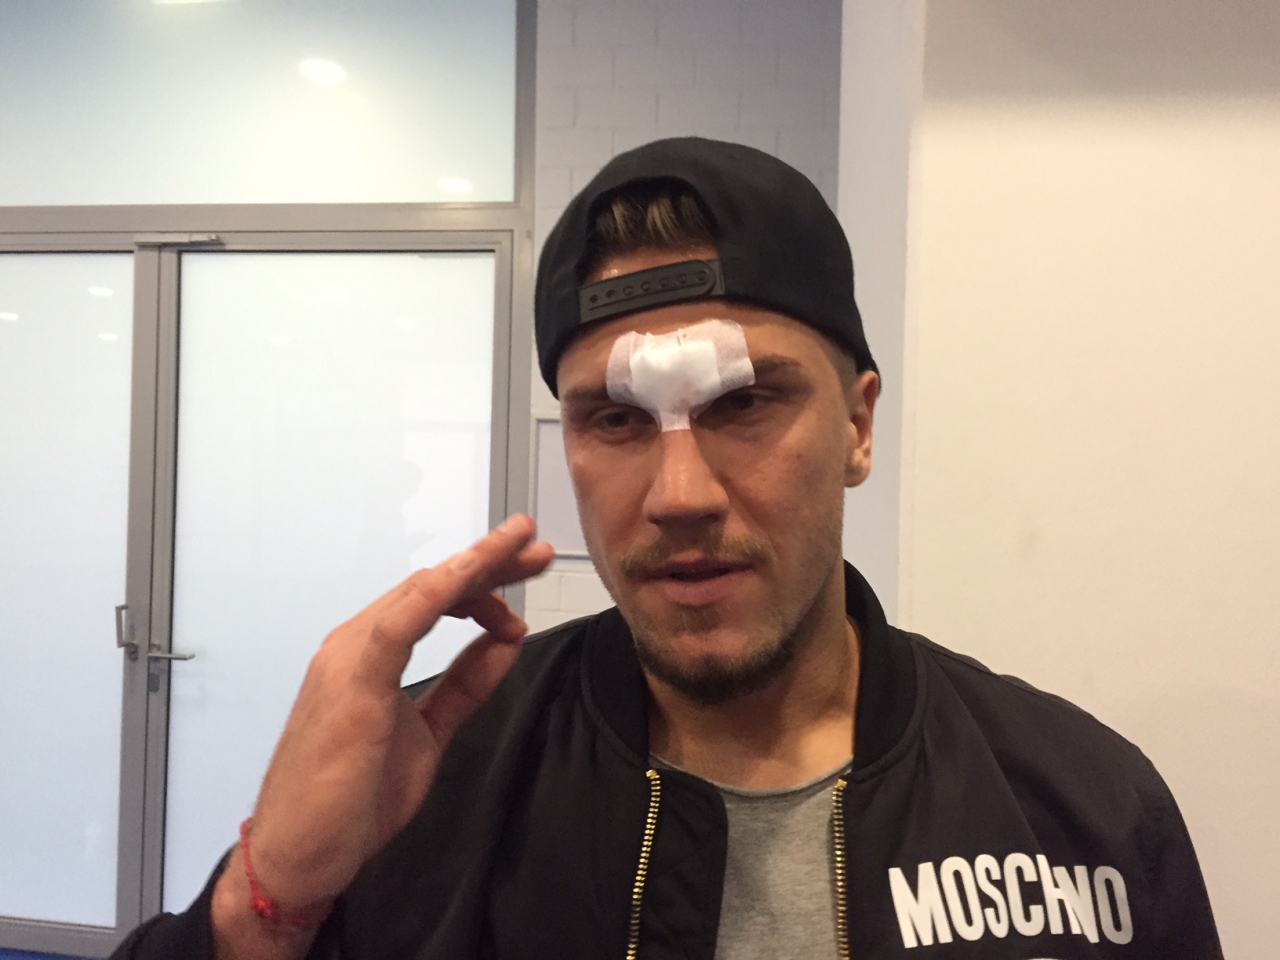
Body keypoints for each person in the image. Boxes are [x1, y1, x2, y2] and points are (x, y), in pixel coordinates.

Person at [111, 137, 1221, 960]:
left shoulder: (1084, 811)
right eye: (614, 420)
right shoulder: (427, 788)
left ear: (856, 426)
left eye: (745, 404)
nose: (679, 496)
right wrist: (271, 902)